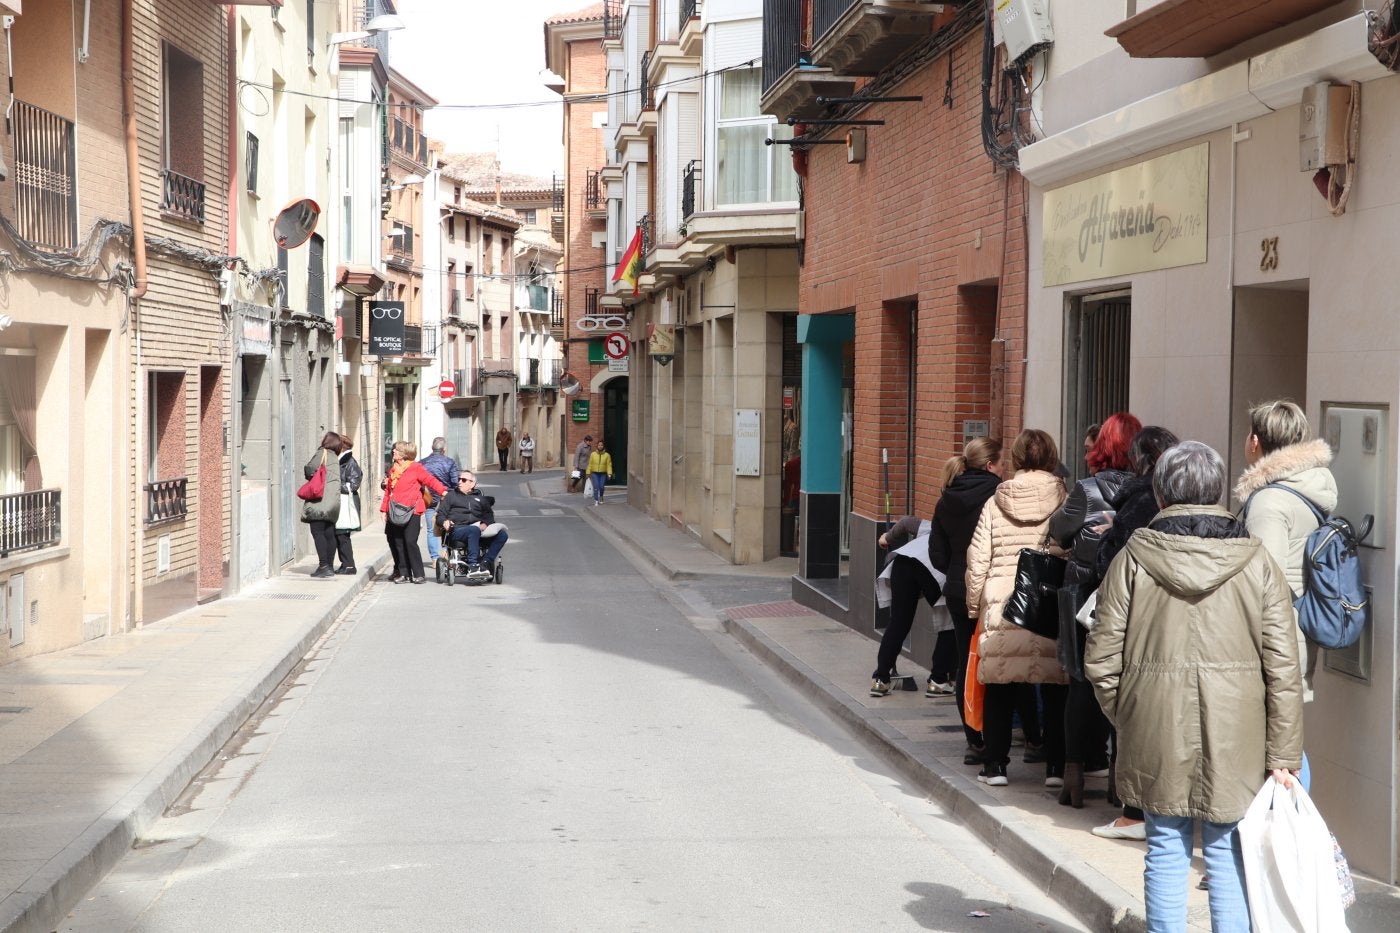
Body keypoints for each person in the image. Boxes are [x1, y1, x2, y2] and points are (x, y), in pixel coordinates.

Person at [1086, 440, 1303, 933]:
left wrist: (1134, 714)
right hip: (1240, 733)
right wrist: (1283, 751)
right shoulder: (1258, 562)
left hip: (1155, 725)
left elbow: (1100, 658)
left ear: (1161, 494)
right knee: (1228, 853)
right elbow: (1283, 668)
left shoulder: (1132, 559)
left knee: (1164, 847)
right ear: (1218, 490)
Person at [1087, 425, 1179, 840]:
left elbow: (1114, 565)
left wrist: (1109, 538)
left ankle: (1135, 812)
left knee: (1137, 713)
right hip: (1182, 628)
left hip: (1141, 624)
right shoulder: (1221, 525)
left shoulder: (1139, 503)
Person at [965, 428, 1069, 788]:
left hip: (1004, 601)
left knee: (1000, 683)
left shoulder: (996, 502)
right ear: (1052, 456)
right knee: (1057, 684)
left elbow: (978, 559)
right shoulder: (1065, 500)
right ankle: (1055, 768)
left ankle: (994, 766)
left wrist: (973, 608)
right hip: (1048, 601)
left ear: (1017, 457)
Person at [1049, 411, 1140, 808]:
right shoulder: (1147, 492)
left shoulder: (1085, 490)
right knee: (1123, 683)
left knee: (1081, 683)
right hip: (1129, 598)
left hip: (1084, 594)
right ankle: (1118, 778)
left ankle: (1073, 774)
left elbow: (1059, 530)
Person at [1233, 400, 1336, 713]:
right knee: (1284, 745)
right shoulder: (1308, 485)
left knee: (1278, 752)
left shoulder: (1270, 501)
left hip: (1274, 644)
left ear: (1255, 441)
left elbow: (1265, 582)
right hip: (1295, 631)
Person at [929, 437, 1004, 764]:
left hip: (960, 592)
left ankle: (974, 740)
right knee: (1000, 662)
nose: (1004, 469)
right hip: (994, 590)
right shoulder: (999, 495)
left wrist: (959, 571)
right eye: (1001, 463)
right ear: (990, 465)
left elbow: (937, 554)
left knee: (967, 662)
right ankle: (1013, 737)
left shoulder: (946, 501)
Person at [870, 515, 951, 698]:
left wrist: (886, 538)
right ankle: (938, 681)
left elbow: (906, 523)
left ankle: (880, 679)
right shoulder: (967, 530)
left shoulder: (934, 524)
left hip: (903, 561)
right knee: (949, 622)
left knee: (898, 622)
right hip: (933, 568)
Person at [380, 440, 447, 584]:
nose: (393, 452)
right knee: (398, 542)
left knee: (410, 541)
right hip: (395, 511)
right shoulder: (393, 470)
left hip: (413, 511)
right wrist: (383, 510)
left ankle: (419, 574)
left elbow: (430, 480)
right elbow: (388, 492)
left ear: (404, 454)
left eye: (396, 450)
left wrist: (443, 491)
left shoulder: (416, 468)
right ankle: (404, 574)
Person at [439, 469, 509, 577]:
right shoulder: (451, 496)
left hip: (478, 529)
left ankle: (485, 562)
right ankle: (473, 566)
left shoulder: (480, 499)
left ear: (472, 483)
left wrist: (485, 523)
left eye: (463, 480)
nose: (459, 482)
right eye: (459, 479)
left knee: (502, 535)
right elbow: (441, 515)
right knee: (473, 530)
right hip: (458, 529)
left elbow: (489, 515)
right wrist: (445, 521)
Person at [301, 432, 343, 578]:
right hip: (333, 502)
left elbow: (310, 469)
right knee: (329, 533)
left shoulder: (322, 453)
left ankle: (323, 565)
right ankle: (330, 566)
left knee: (318, 532)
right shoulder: (335, 458)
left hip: (320, 500)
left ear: (327, 441)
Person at [418, 437, 459, 569]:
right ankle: (445, 552)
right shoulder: (450, 462)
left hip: (429, 500)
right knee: (448, 527)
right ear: (444, 449)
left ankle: (435, 559)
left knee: (431, 530)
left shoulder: (422, 463)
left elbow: (419, 483)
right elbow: (455, 482)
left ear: (432, 448)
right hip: (446, 500)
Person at [333, 433, 363, 575]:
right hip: (341, 502)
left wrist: (334, 485)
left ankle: (349, 565)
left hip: (347, 504)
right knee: (339, 534)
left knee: (343, 534)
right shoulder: (341, 461)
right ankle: (345, 564)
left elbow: (353, 485)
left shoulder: (350, 462)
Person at [586, 439, 613, 505]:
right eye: (599, 445)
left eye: (601, 445)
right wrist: (588, 472)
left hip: (603, 473)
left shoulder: (607, 455)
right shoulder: (593, 454)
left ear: (603, 446)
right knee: (596, 486)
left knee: (601, 487)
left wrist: (609, 473)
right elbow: (590, 464)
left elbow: (609, 465)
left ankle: (601, 496)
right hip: (594, 473)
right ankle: (596, 500)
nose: (600, 446)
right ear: (597, 446)